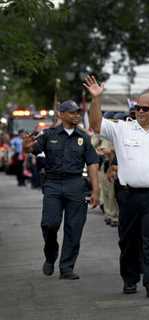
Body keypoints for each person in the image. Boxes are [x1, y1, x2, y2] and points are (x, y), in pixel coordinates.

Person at [85, 75, 149, 297]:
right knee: (128, 240)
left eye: (145, 108)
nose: (140, 111)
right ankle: (130, 278)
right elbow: (95, 124)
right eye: (137, 107)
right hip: (129, 195)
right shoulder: (122, 129)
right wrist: (96, 99)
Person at [23, 100, 100, 280]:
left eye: (77, 112)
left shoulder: (83, 137)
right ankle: (51, 255)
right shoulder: (48, 135)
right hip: (53, 184)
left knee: (74, 228)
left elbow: (93, 163)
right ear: (61, 115)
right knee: (49, 223)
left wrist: (96, 190)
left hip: (75, 184)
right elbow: (31, 149)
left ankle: (67, 267)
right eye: (72, 112)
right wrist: (26, 145)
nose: (76, 115)